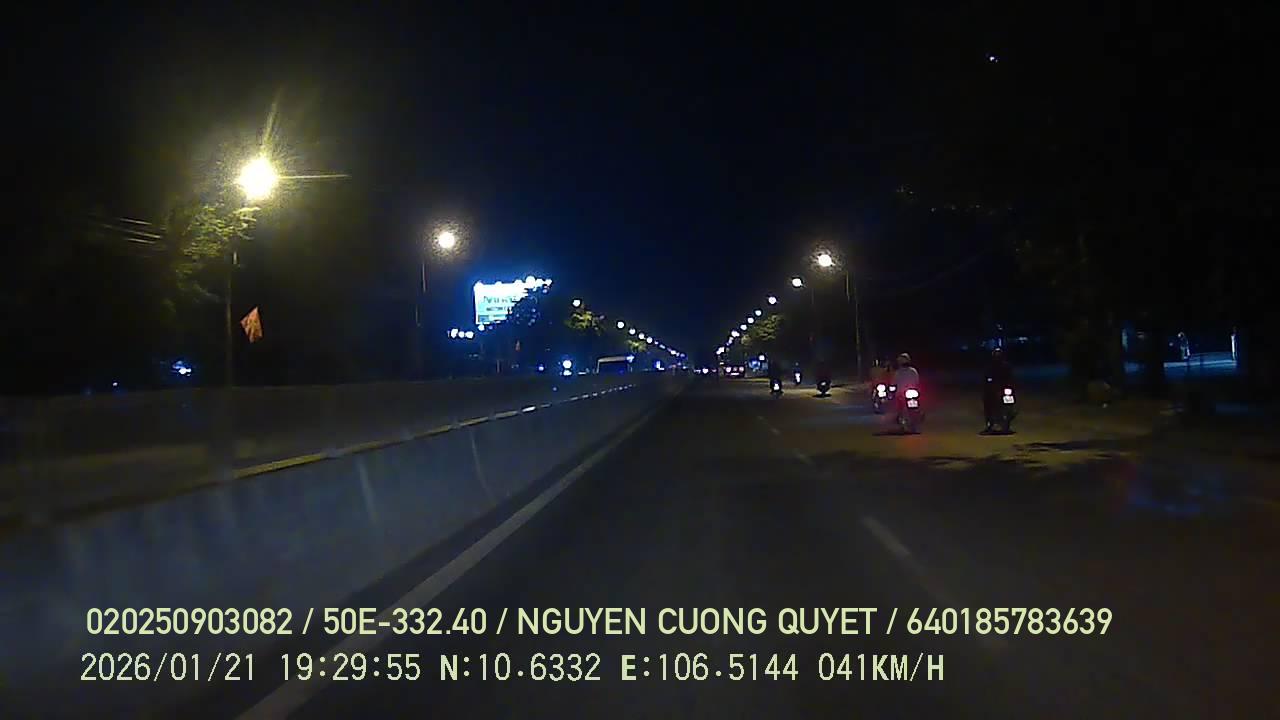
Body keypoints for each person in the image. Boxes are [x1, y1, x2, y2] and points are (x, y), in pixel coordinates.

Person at [983, 347, 1013, 430]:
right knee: (987, 401)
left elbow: (1010, 377)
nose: (998, 356)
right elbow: (986, 377)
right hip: (993, 388)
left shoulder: (1006, 366)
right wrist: (989, 381)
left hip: (1004, 387)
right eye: (996, 354)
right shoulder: (990, 366)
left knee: (1010, 401)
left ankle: (1007, 419)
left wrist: (1010, 384)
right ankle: (989, 422)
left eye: (999, 354)